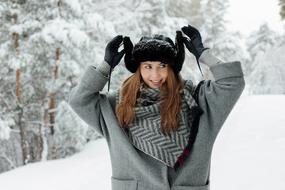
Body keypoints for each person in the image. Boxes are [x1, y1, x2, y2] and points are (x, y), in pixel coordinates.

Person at [69, 25, 245, 190]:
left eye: (162, 66)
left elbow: (232, 83)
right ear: (138, 68)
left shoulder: (198, 101)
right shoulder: (115, 106)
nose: (155, 75)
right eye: (148, 66)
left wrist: (205, 55)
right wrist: (105, 66)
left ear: (172, 68)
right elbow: (79, 100)